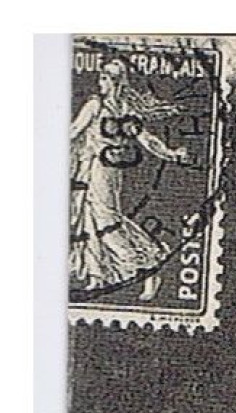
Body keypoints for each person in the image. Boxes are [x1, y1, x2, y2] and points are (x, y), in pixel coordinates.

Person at [69, 58, 191, 300]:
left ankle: (147, 264)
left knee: (106, 222)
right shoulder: (104, 106)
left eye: (104, 78)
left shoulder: (114, 108)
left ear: (115, 82)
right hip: (93, 168)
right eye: (100, 78)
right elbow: (74, 132)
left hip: (107, 171)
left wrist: (171, 154)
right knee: (90, 219)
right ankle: (97, 276)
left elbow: (146, 139)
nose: (100, 83)